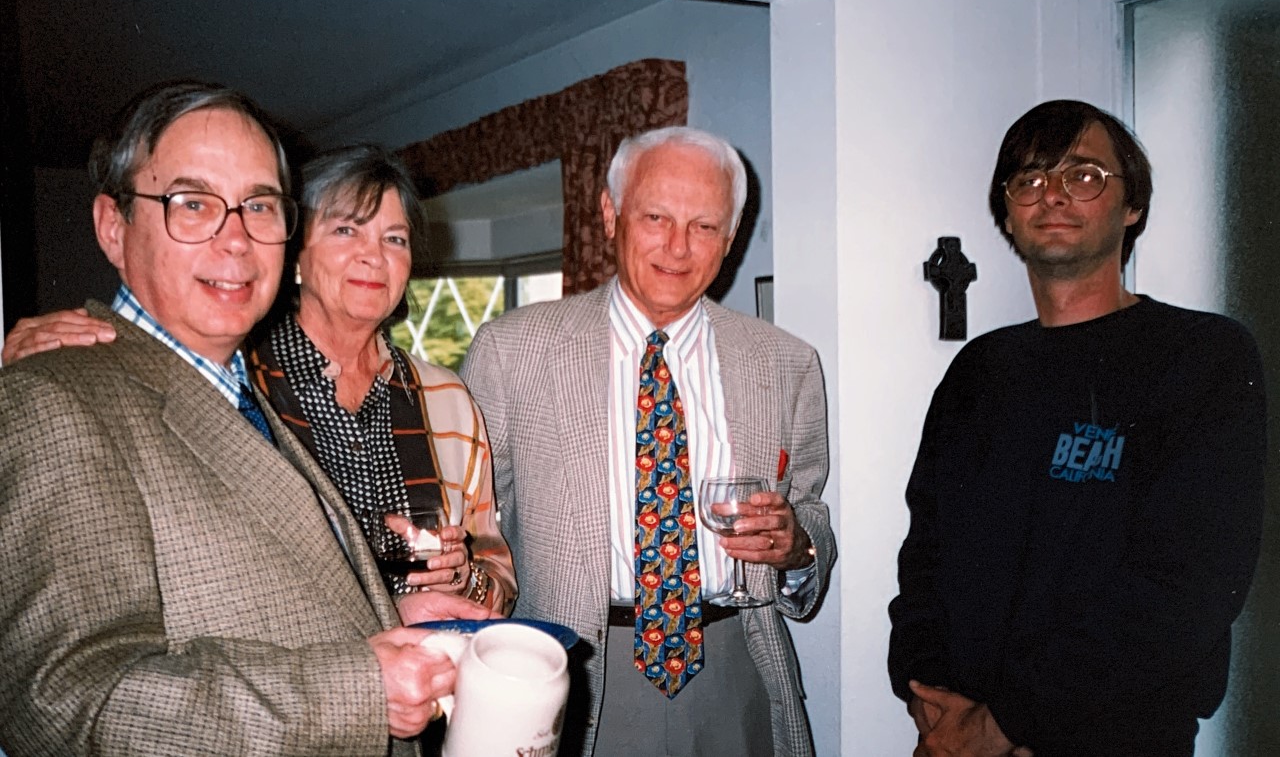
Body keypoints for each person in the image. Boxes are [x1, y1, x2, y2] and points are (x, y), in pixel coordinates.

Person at [0, 81, 491, 757]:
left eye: (258, 205)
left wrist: (394, 617)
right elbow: (63, 705)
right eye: (193, 203)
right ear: (114, 228)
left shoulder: (236, 390)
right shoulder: (54, 401)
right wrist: (358, 686)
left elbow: (276, 595)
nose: (235, 240)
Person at [888, 100, 1267, 757]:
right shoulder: (978, 370)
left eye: (1083, 174)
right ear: (1007, 215)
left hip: (1119, 736)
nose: (1053, 194)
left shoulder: (1205, 357)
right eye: (1029, 180)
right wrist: (931, 700)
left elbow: (1185, 589)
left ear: (1132, 207)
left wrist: (1004, 723)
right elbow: (926, 556)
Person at [3, 146, 516, 616]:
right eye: (345, 230)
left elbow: (499, 578)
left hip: (430, 697)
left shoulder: (446, 398)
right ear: (293, 256)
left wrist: (464, 577)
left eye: (394, 238)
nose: (373, 255)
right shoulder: (230, 376)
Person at [459, 126, 836, 757]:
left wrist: (796, 546)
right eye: (655, 216)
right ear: (610, 214)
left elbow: (811, 516)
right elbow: (471, 529)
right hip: (572, 673)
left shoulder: (785, 363)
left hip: (735, 671)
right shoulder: (510, 351)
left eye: (705, 226)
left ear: (731, 236)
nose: (678, 246)